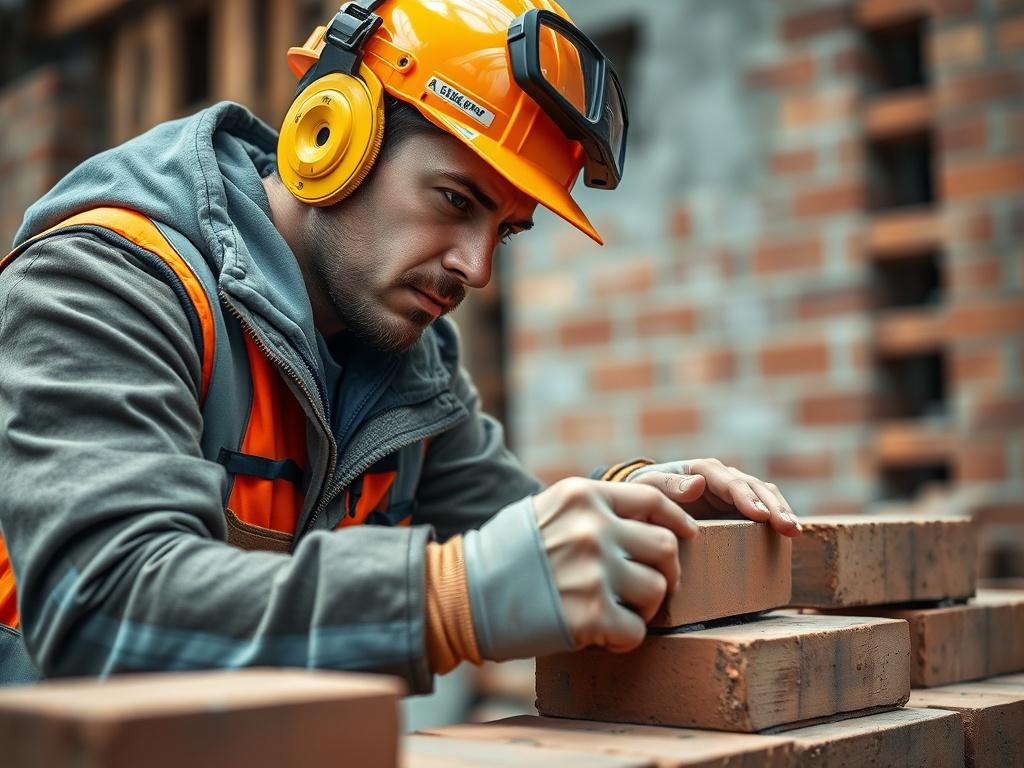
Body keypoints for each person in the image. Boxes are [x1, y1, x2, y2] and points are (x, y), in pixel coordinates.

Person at [0, 0, 800, 688]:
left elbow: (514, 536)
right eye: (456, 200)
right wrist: (452, 600)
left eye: (505, 234)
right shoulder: (103, 286)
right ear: (331, 138)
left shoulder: (404, 365)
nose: (476, 268)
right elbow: (99, 604)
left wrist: (642, 503)